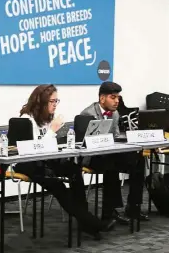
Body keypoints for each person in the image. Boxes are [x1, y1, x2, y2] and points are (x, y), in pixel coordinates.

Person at [15, 84, 115, 240]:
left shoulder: (47, 118)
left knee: (74, 170)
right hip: (29, 163)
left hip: (46, 159)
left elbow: (49, 146)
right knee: (58, 186)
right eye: (52, 101)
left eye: (57, 101)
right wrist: (52, 131)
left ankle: (85, 221)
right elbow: (33, 148)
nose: (55, 105)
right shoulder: (27, 120)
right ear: (41, 102)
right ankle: (92, 222)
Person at [81, 81, 148, 223]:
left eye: (118, 97)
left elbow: (115, 136)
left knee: (138, 160)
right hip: (91, 157)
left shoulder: (115, 113)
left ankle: (133, 206)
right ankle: (109, 212)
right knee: (110, 164)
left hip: (109, 153)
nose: (117, 101)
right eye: (113, 97)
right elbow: (84, 144)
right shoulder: (88, 114)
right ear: (102, 98)